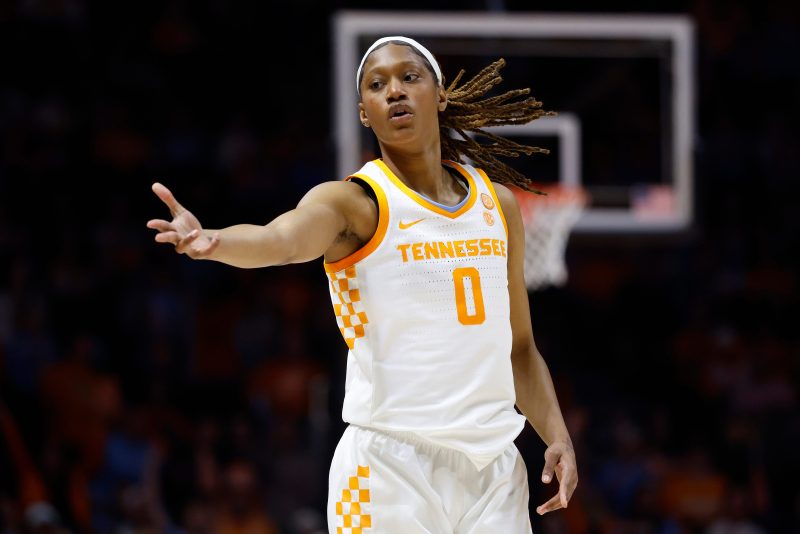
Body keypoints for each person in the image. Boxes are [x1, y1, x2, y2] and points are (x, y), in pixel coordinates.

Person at [147, 35, 578, 533]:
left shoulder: (497, 205)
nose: (394, 91)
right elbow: (281, 240)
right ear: (364, 113)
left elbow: (518, 348)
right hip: (388, 467)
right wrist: (215, 241)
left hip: (494, 470)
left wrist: (557, 434)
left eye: (409, 77)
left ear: (439, 95)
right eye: (377, 85)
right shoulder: (355, 203)